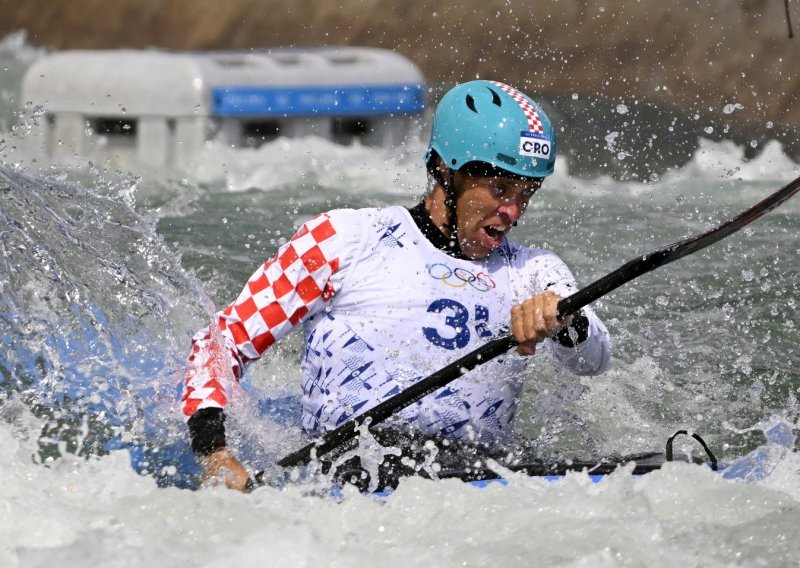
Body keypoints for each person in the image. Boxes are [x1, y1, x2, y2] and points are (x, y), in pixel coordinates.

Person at [180, 80, 612, 492]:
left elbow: (594, 359)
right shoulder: (344, 240)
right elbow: (222, 344)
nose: (514, 211)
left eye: (527, 193)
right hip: (349, 476)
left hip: (479, 478)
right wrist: (216, 457)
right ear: (446, 169)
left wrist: (564, 318)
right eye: (500, 188)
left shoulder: (534, 270)